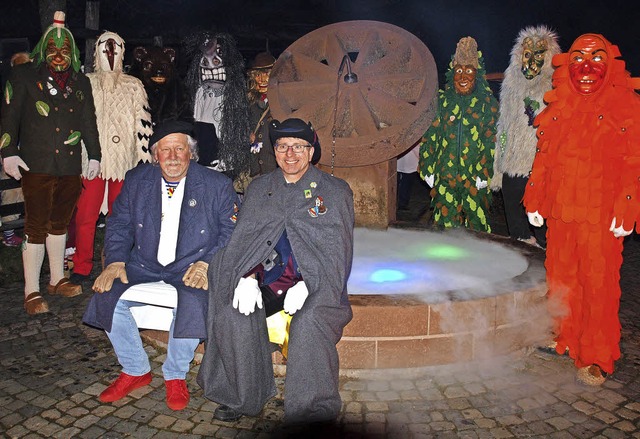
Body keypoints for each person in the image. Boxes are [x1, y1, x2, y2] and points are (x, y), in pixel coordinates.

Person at [197, 118, 354, 427]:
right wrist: (248, 277)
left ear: (312, 151)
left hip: (315, 284)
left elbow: (339, 252)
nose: (290, 154)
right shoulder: (259, 188)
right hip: (268, 282)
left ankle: (312, 409)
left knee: (309, 324)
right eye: (283, 147)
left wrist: (310, 283)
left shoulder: (334, 192)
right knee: (232, 315)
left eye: (299, 147)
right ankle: (242, 396)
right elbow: (244, 241)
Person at [82, 120, 238, 410]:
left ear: (191, 153)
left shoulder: (216, 184)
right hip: (145, 263)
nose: (173, 156)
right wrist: (115, 260)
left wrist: (207, 264)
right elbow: (120, 223)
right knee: (106, 294)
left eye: (180, 149)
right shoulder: (138, 179)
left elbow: (230, 232)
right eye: (165, 150)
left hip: (191, 264)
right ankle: (135, 368)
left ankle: (175, 374)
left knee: (194, 298)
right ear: (155, 156)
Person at [524, 34, 640, 385]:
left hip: (601, 216)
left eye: (596, 58)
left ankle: (596, 354)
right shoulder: (558, 107)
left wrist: (628, 205)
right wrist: (535, 197)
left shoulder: (627, 107)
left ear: (611, 65)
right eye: (577, 59)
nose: (586, 68)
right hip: (561, 211)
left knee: (598, 282)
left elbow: (634, 162)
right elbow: (544, 157)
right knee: (560, 276)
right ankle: (563, 335)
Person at [0, 11, 101, 315]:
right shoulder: (24, 75)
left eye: (65, 50)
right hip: (37, 163)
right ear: (44, 49)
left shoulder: (81, 82)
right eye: (53, 49)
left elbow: (88, 121)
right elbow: (10, 117)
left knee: (60, 223)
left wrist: (94, 154)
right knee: (36, 226)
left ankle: (57, 279)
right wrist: (8, 152)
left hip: (69, 165)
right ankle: (31, 289)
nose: (59, 55)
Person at [68, 30, 152, 290]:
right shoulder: (85, 82)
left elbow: (144, 122)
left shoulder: (134, 84)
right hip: (90, 160)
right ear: (97, 51)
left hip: (124, 161)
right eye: (106, 48)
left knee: (122, 215)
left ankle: (120, 262)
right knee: (85, 215)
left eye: (115, 48)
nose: (110, 54)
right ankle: (82, 265)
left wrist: (143, 158)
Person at [418, 36, 499, 232]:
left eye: (469, 71)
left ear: (477, 75)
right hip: (445, 173)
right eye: (459, 71)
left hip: (474, 175)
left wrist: (486, 172)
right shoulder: (442, 102)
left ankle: (479, 258)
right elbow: (430, 134)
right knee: (445, 225)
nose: (463, 77)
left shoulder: (487, 105)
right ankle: (447, 261)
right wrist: (427, 166)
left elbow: (493, 140)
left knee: (477, 222)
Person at [491, 26, 560, 248]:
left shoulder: (556, 86)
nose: (531, 61)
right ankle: (521, 246)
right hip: (513, 159)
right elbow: (504, 124)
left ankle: (547, 252)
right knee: (512, 205)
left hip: (541, 160)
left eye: (539, 54)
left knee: (541, 213)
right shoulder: (511, 84)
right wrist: (498, 164)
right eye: (527, 54)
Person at [0, 51, 31, 247]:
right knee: (11, 191)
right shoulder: (9, 93)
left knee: (22, 191)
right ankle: (9, 233)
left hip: (28, 153)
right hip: (10, 154)